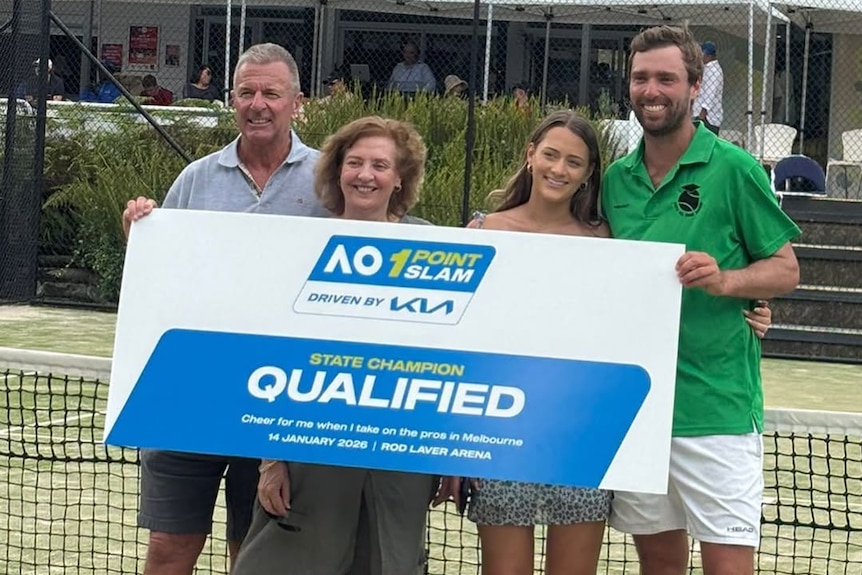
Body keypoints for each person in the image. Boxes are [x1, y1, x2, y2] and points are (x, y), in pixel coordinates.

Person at [434, 109, 775, 575]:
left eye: (574, 162)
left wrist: (748, 307)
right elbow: (459, 344)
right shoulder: (481, 233)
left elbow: (647, 305)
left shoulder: (606, 240)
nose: (559, 169)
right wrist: (455, 447)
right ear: (530, 155)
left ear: (588, 173)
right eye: (550, 155)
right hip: (501, 436)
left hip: (583, 437)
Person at [121, 42, 329, 575]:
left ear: (297, 103)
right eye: (246, 92)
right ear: (232, 100)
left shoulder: (330, 181)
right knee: (169, 552)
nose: (258, 103)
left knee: (252, 556)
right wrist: (140, 232)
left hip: (279, 403)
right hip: (190, 395)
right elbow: (162, 276)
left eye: (271, 93)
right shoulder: (196, 179)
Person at [603, 25, 800, 575]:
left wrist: (726, 282)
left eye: (666, 78)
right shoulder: (615, 179)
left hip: (717, 410)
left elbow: (786, 269)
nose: (652, 90)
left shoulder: (735, 168)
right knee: (660, 567)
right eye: (641, 78)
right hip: (638, 411)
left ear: (694, 87)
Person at [231, 116, 438, 575]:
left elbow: (446, 355)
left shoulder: (432, 246)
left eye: (380, 165)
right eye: (355, 162)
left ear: (400, 177)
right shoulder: (301, 245)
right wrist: (271, 460)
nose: (366, 174)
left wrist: (452, 456)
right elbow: (275, 352)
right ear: (337, 170)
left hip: (399, 457)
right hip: (311, 454)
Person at [692, 40, 723, 135]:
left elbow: (710, 93)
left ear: (708, 55)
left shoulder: (714, 71)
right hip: (700, 113)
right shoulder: (707, 68)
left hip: (708, 117)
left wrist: (703, 113)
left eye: (702, 54)